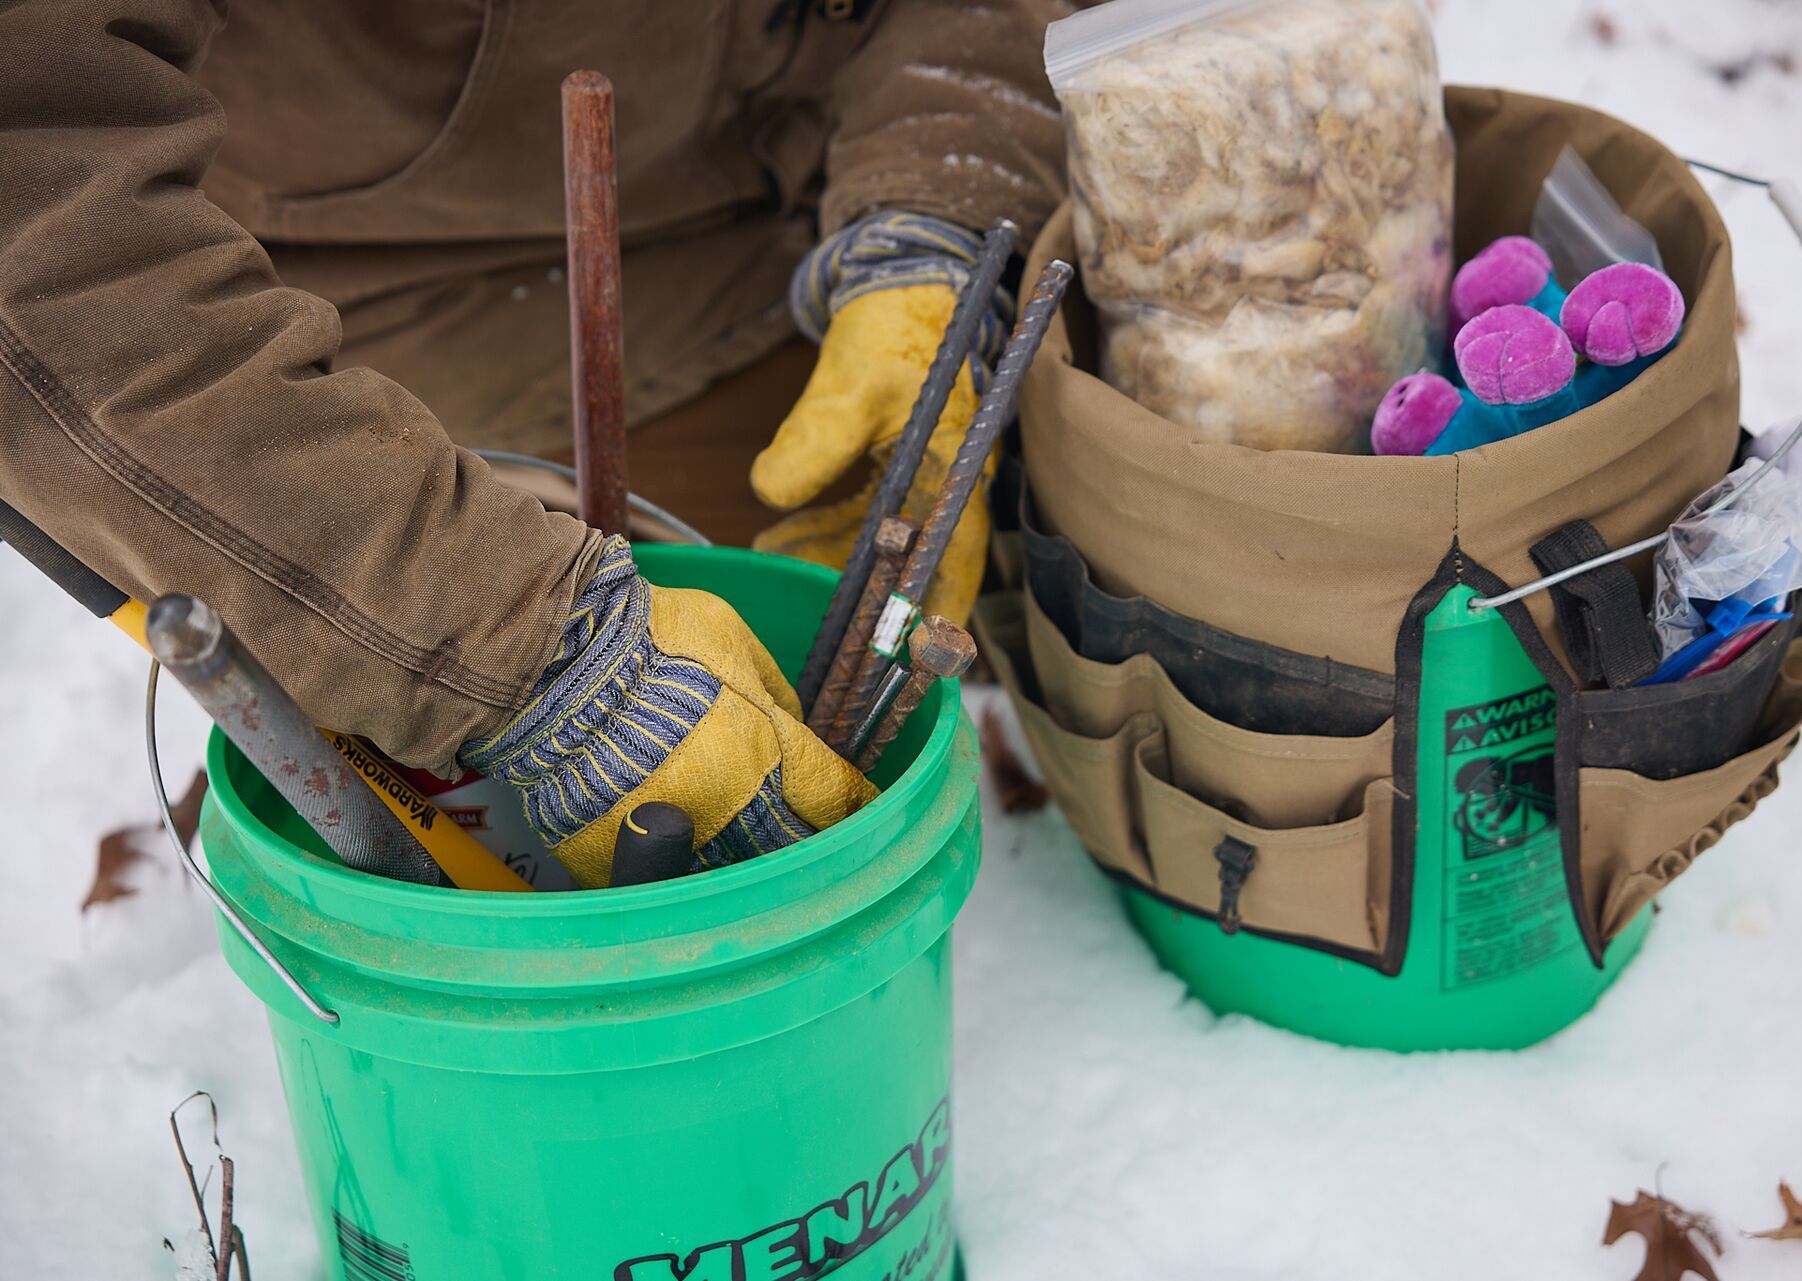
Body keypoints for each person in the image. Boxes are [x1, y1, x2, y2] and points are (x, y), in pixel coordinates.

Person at [0, 1, 1071, 885]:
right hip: (371, 296)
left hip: (805, 206)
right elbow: (32, 191)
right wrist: (500, 640)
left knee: (990, 587)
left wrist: (929, 215)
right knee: (485, 753)